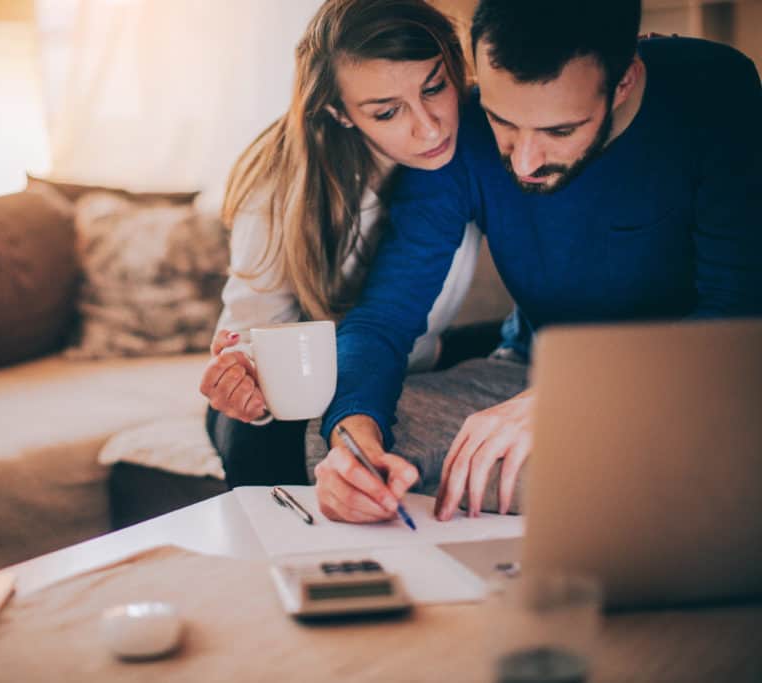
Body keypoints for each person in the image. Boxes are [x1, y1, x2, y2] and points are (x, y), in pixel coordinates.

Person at [313, 0, 762, 523]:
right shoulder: (458, 129)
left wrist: (576, 398)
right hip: (532, 371)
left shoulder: (712, 91)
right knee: (348, 450)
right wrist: (353, 436)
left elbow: (738, 318)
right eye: (502, 120)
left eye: (559, 131)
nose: (523, 163)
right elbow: (385, 315)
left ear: (623, 82)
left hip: (700, 377)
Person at [199, 0, 483, 489]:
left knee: (548, 356)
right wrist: (243, 375)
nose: (429, 125)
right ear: (339, 112)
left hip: (422, 355)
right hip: (304, 382)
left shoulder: (486, 136)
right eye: (388, 111)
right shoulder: (282, 182)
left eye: (434, 88)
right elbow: (253, 327)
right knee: (265, 440)